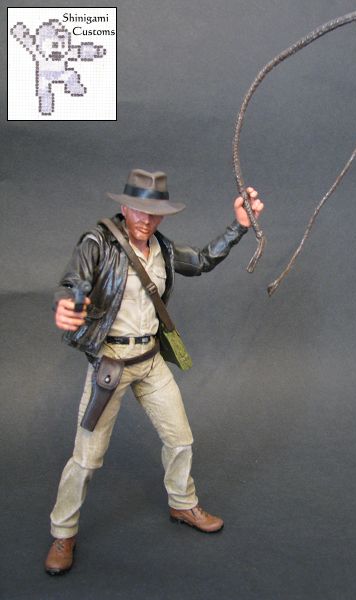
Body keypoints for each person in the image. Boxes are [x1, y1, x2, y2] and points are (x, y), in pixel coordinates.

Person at [45, 168, 264, 575]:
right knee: (86, 459)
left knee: (180, 439)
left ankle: (182, 503)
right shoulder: (99, 241)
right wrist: (68, 303)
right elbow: (74, 282)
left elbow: (201, 261)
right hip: (111, 363)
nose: (146, 220)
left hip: (150, 359)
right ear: (125, 208)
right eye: (138, 210)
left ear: (162, 215)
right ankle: (63, 531)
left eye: (154, 213)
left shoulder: (161, 248)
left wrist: (239, 226)